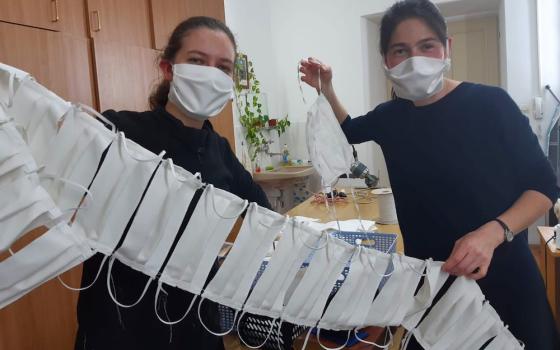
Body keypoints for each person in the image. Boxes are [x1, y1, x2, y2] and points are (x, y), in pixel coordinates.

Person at [300, 0, 559, 348]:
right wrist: (326, 88)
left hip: (504, 280)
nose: (414, 59)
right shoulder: (389, 117)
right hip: (433, 287)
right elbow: (346, 130)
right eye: (400, 50)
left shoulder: (491, 104)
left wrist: (493, 233)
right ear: (385, 60)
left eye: (427, 46)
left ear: (447, 48)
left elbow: (543, 186)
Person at [75, 16, 271, 349]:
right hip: (120, 322)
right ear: (169, 69)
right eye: (197, 61)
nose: (210, 74)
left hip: (194, 321)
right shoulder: (119, 131)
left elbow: (264, 214)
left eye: (223, 67)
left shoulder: (219, 150)